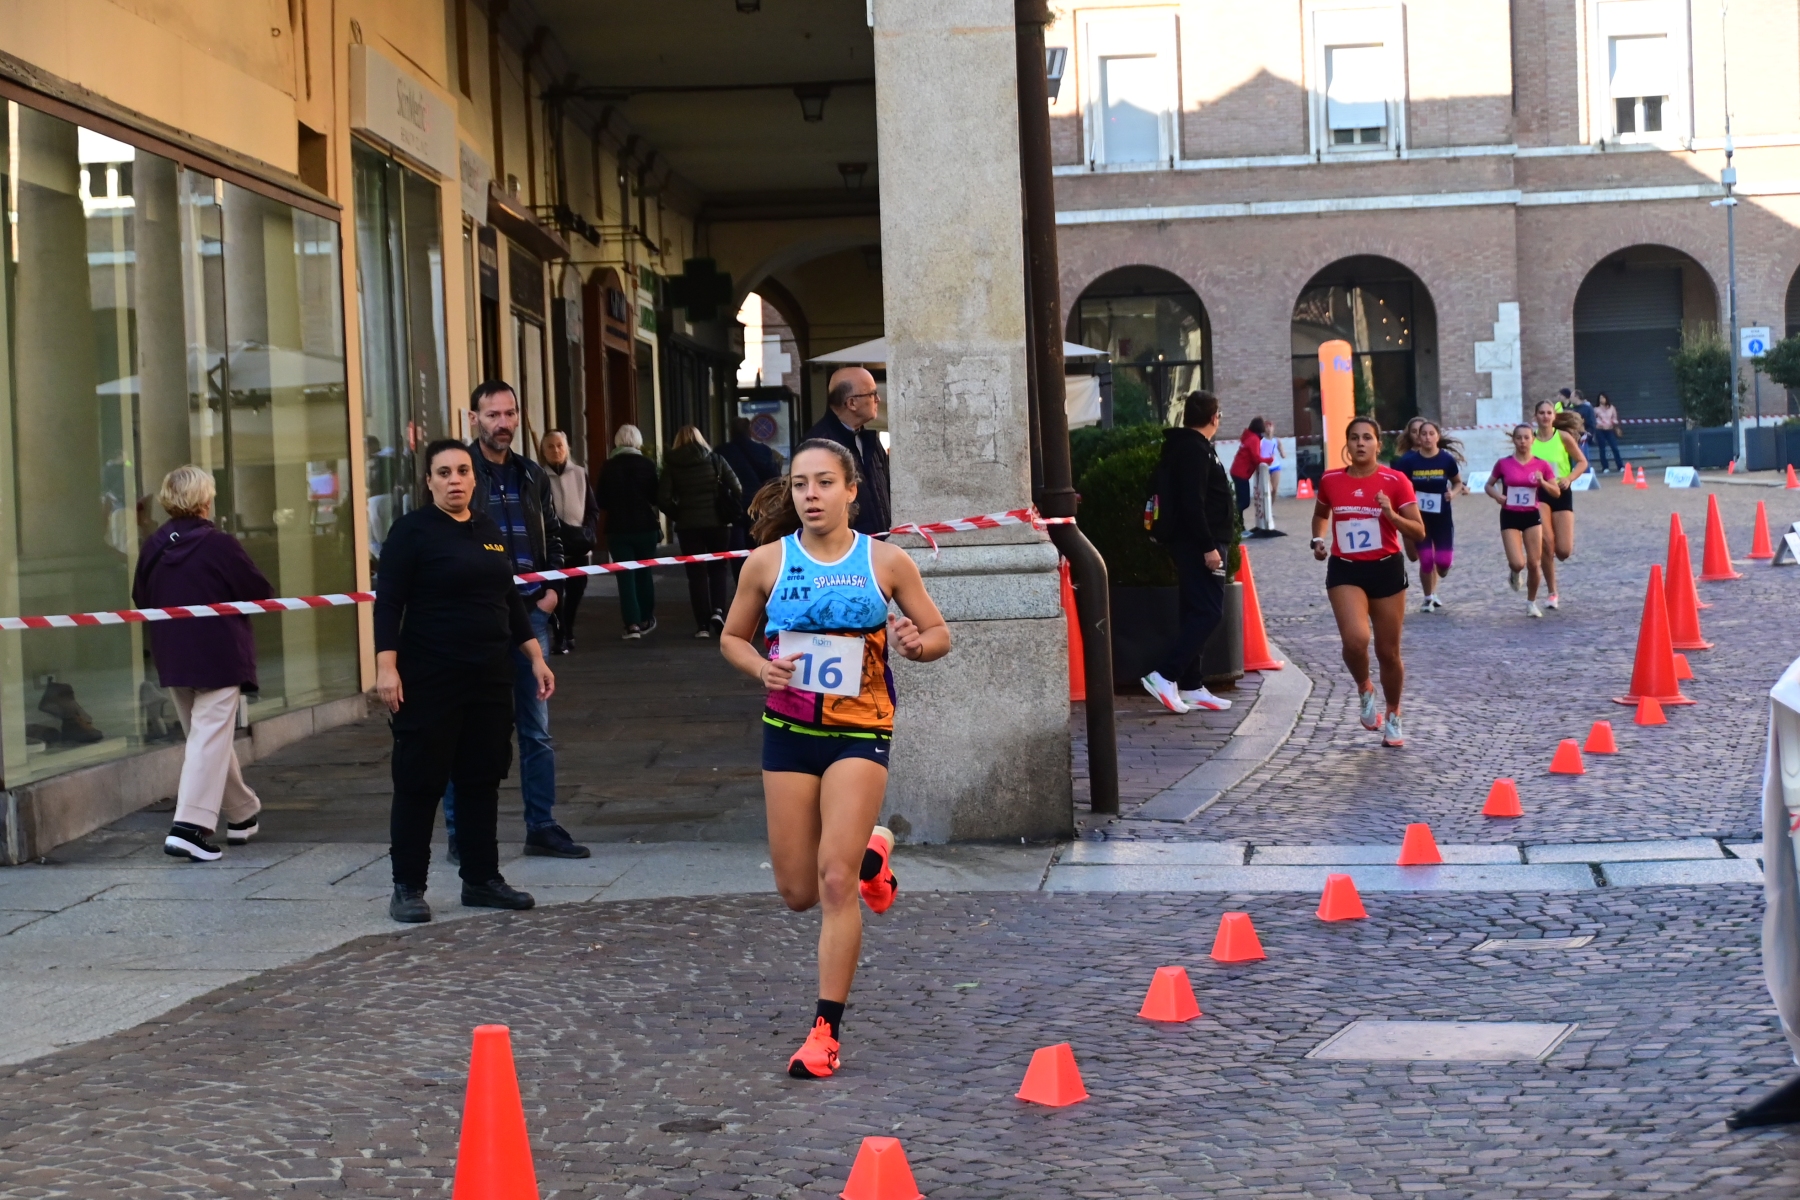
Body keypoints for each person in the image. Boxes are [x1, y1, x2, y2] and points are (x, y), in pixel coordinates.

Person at [719, 438, 951, 1079]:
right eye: (800, 484)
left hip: (861, 731)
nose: (811, 495)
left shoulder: (886, 561)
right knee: (797, 891)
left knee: (833, 882)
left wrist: (916, 645)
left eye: (824, 483)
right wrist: (761, 668)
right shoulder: (767, 562)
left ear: (852, 490)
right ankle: (875, 848)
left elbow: (939, 634)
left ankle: (825, 1032)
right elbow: (732, 638)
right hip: (788, 732)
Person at [376, 440, 551, 922]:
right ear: (429, 481)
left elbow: (508, 599)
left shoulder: (488, 530)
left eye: (462, 471)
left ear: (474, 479)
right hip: (429, 679)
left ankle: (481, 879)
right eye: (444, 472)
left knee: (481, 778)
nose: (454, 480)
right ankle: (408, 887)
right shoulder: (411, 531)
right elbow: (388, 603)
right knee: (419, 781)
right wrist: (386, 666)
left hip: (489, 678)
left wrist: (535, 657)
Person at [451, 382, 589, 860]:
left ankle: (542, 826)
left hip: (531, 612)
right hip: (479, 618)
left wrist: (553, 591)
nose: (503, 423)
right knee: (469, 729)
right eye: (493, 415)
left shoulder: (531, 473)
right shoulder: (461, 471)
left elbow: (552, 535)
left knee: (536, 729)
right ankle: (461, 832)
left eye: (510, 413)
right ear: (474, 418)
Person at [132, 465, 273, 862]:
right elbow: (259, 591)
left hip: (173, 655)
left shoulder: (154, 545)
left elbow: (141, 597)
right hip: (219, 654)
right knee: (208, 740)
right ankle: (189, 828)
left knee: (206, 740)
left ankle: (242, 813)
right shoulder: (220, 544)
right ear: (205, 501)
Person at [1310, 415, 1425, 748]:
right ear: (1347, 444)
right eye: (1354, 438)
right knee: (1355, 640)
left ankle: (1393, 713)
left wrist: (1391, 515)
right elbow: (1320, 515)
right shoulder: (1331, 479)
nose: (1360, 443)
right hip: (1345, 569)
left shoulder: (1395, 480)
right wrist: (1317, 540)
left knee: (1388, 653)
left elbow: (1418, 531)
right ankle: (1364, 687)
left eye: (1367, 438)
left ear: (1378, 444)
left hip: (1386, 570)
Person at [1140, 391, 1235, 715]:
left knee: (1194, 612)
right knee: (1209, 612)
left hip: (1193, 541)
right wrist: (1208, 546)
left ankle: (1192, 685)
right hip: (1201, 543)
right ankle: (1165, 675)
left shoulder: (1187, 447)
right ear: (1214, 417)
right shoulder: (1195, 450)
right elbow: (1193, 502)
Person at [659, 425, 744, 638]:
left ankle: (702, 625)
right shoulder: (715, 460)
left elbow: (663, 499)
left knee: (696, 574)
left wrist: (679, 514)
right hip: (718, 524)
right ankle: (718, 611)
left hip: (688, 527)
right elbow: (737, 488)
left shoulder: (672, 465)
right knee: (718, 569)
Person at [1486, 424, 1562, 618]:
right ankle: (1514, 572)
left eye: (1526, 438)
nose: (1522, 442)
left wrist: (1542, 482)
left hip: (1531, 516)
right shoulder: (1503, 463)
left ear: (1533, 440)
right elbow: (1488, 485)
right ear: (1513, 440)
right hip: (1509, 515)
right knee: (1518, 563)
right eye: (1518, 438)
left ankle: (1531, 602)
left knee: (1534, 563)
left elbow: (1556, 492)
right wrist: (1497, 496)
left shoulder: (1542, 465)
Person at [804, 367, 891, 537]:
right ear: (851, 403)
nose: (878, 399)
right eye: (872, 394)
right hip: (845, 548)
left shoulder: (870, 440)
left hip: (879, 544)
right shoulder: (818, 446)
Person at [594, 423, 661, 639]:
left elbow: (601, 500)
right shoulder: (648, 465)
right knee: (644, 574)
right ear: (638, 441)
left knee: (625, 577)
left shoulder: (608, 466)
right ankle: (646, 618)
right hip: (645, 528)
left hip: (618, 529)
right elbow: (656, 497)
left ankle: (631, 624)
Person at [1392, 420, 1467, 612]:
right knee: (1425, 559)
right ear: (1417, 437)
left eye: (1431, 434)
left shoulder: (1446, 460)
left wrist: (1453, 493)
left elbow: (1457, 482)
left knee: (1443, 563)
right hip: (1419, 519)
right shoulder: (1409, 462)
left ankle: (1442, 571)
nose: (1427, 437)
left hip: (1442, 518)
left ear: (1437, 436)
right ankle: (1428, 598)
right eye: (1423, 434)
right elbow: (1398, 485)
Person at [539, 430, 597, 655]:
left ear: (567, 448)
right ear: (543, 451)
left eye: (559, 445)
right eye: (550, 446)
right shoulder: (539, 476)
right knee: (555, 592)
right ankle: (560, 635)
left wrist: (588, 531)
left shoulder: (580, 473)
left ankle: (568, 628)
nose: (556, 450)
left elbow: (592, 508)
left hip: (578, 544)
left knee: (576, 590)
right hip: (553, 545)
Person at [1530, 398, 1589, 610]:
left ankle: (1551, 558)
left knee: (1563, 550)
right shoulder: (1530, 440)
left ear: (1554, 416)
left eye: (1549, 413)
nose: (1545, 416)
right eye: (1541, 413)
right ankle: (1552, 592)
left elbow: (1582, 462)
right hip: (1539, 493)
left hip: (1561, 491)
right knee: (1547, 542)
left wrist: (1569, 478)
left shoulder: (1563, 437)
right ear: (1535, 416)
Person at [720, 416, 781, 567]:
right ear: (750, 431)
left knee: (736, 549)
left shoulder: (722, 452)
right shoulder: (763, 451)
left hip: (732, 505)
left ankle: (741, 576)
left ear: (731, 431)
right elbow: (774, 478)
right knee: (757, 543)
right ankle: (758, 574)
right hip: (757, 503)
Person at [1229, 416, 1273, 521]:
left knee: (1240, 500)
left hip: (1237, 471)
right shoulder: (1254, 439)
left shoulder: (1248, 437)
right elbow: (1256, 458)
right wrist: (1270, 459)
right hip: (1241, 473)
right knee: (1244, 502)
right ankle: (1231, 519)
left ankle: (1239, 524)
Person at [1591, 392, 1625, 473]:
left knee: (1614, 447)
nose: (1602, 400)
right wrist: (1597, 426)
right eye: (1600, 398)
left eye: (1603, 398)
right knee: (1602, 449)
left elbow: (1614, 418)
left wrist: (1614, 425)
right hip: (1600, 430)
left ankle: (1620, 466)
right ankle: (1605, 467)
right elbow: (1593, 420)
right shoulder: (1596, 409)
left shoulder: (1611, 408)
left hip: (1610, 429)